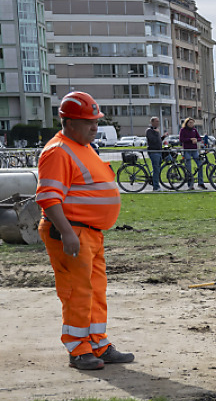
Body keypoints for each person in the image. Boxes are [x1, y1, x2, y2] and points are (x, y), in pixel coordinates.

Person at [36, 92, 133, 371]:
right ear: (68, 123)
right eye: (88, 122)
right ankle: (78, 349)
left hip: (90, 233)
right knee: (76, 292)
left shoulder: (82, 145)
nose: (94, 126)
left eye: (95, 121)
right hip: (72, 232)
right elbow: (48, 198)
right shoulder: (58, 151)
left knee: (95, 290)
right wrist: (66, 233)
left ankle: (97, 343)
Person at [178, 117, 207, 190]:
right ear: (187, 123)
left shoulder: (194, 130)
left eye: (192, 123)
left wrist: (196, 139)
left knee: (200, 165)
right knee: (189, 167)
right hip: (187, 150)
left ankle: (201, 183)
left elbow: (199, 138)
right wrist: (190, 139)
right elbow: (181, 139)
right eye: (190, 123)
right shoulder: (183, 130)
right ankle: (190, 185)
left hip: (194, 150)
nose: (191, 124)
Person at [145, 116, 166, 189]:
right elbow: (152, 140)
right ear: (152, 122)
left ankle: (155, 183)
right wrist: (156, 133)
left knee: (157, 169)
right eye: (156, 121)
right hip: (153, 152)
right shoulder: (149, 131)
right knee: (156, 169)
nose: (158, 123)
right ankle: (156, 186)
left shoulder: (156, 130)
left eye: (158, 121)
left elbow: (158, 140)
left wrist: (163, 137)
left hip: (159, 151)